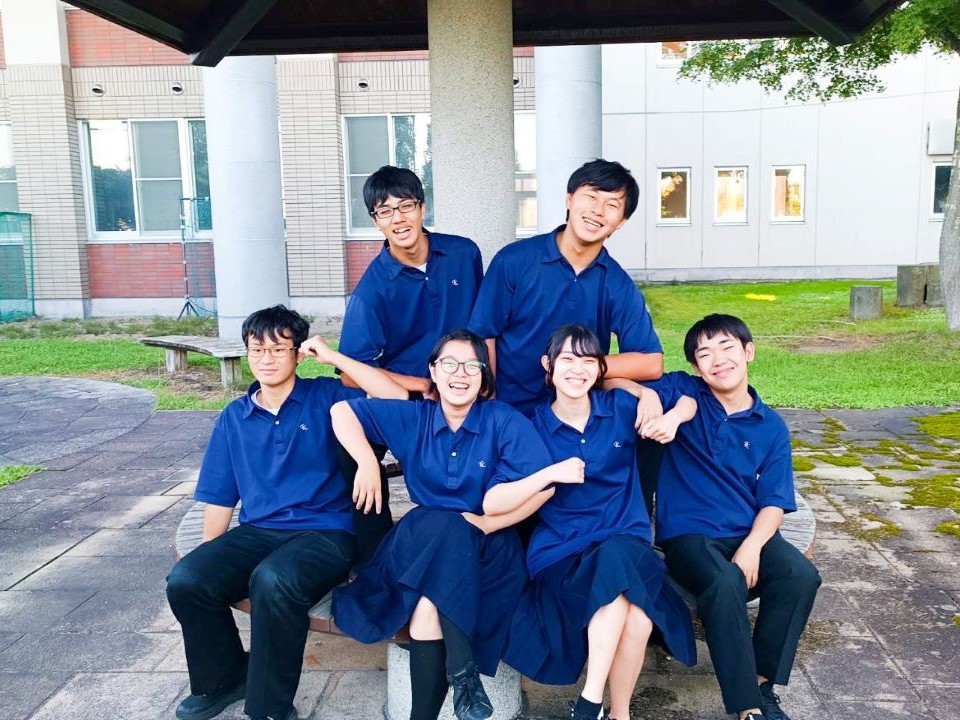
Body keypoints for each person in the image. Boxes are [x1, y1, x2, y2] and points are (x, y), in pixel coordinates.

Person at [165, 305, 407, 720]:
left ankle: (269, 707)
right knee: (188, 579)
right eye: (257, 349)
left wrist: (332, 357)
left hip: (328, 532)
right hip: (259, 530)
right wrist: (210, 560)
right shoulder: (234, 418)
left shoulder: (326, 397)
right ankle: (224, 679)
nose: (267, 359)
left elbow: (396, 397)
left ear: (298, 354)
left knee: (274, 580)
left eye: (279, 349)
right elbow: (220, 497)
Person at [329, 329, 581, 720]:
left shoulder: (503, 420)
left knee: (429, 607)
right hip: (422, 543)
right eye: (449, 363)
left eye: (471, 365)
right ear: (433, 370)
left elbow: (544, 488)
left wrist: (488, 524)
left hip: (488, 547)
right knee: (446, 525)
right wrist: (366, 461)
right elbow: (342, 412)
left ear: (484, 376)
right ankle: (464, 674)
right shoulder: (416, 417)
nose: (459, 373)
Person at [502, 325, 696, 720]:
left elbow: (689, 395)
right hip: (562, 552)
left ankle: (595, 705)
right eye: (567, 359)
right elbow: (503, 491)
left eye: (588, 361)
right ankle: (607, 710)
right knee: (637, 614)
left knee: (620, 566)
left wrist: (669, 414)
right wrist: (549, 474)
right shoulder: (531, 426)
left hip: (624, 541)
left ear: (600, 369)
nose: (578, 369)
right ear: (548, 365)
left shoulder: (621, 407)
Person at [648, 314, 822, 720]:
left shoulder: (770, 426)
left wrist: (752, 546)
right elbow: (619, 382)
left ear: (749, 352)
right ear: (696, 367)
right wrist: (656, 403)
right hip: (689, 534)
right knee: (725, 581)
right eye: (704, 353)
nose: (717, 360)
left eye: (727, 347)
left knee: (800, 576)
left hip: (746, 529)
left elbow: (774, 502)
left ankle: (761, 685)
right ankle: (748, 708)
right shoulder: (685, 390)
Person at [468, 159, 664, 516]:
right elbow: (485, 336)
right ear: (570, 199)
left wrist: (579, 366)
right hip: (514, 410)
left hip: (574, 414)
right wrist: (490, 407)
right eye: (591, 197)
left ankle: (634, 522)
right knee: (509, 517)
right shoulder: (516, 261)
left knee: (653, 410)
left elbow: (651, 361)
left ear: (620, 222)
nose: (598, 211)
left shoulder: (615, 281)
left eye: (612, 204)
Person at [338, 165, 484, 564]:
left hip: (468, 385)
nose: (398, 219)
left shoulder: (463, 254)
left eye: (405, 206)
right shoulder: (372, 289)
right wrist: (421, 385)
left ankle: (489, 543)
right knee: (349, 446)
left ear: (422, 208)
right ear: (375, 221)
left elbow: (486, 324)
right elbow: (350, 372)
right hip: (409, 397)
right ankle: (375, 558)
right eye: (385, 211)